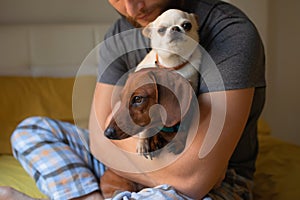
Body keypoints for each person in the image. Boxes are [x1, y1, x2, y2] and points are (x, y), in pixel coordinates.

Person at [0, 0, 265, 199]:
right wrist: (115, 149)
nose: (131, 7)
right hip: (140, 163)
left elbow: (194, 180)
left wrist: (115, 150)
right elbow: (101, 137)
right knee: (31, 130)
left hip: (216, 179)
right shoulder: (118, 37)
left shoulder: (229, 31)